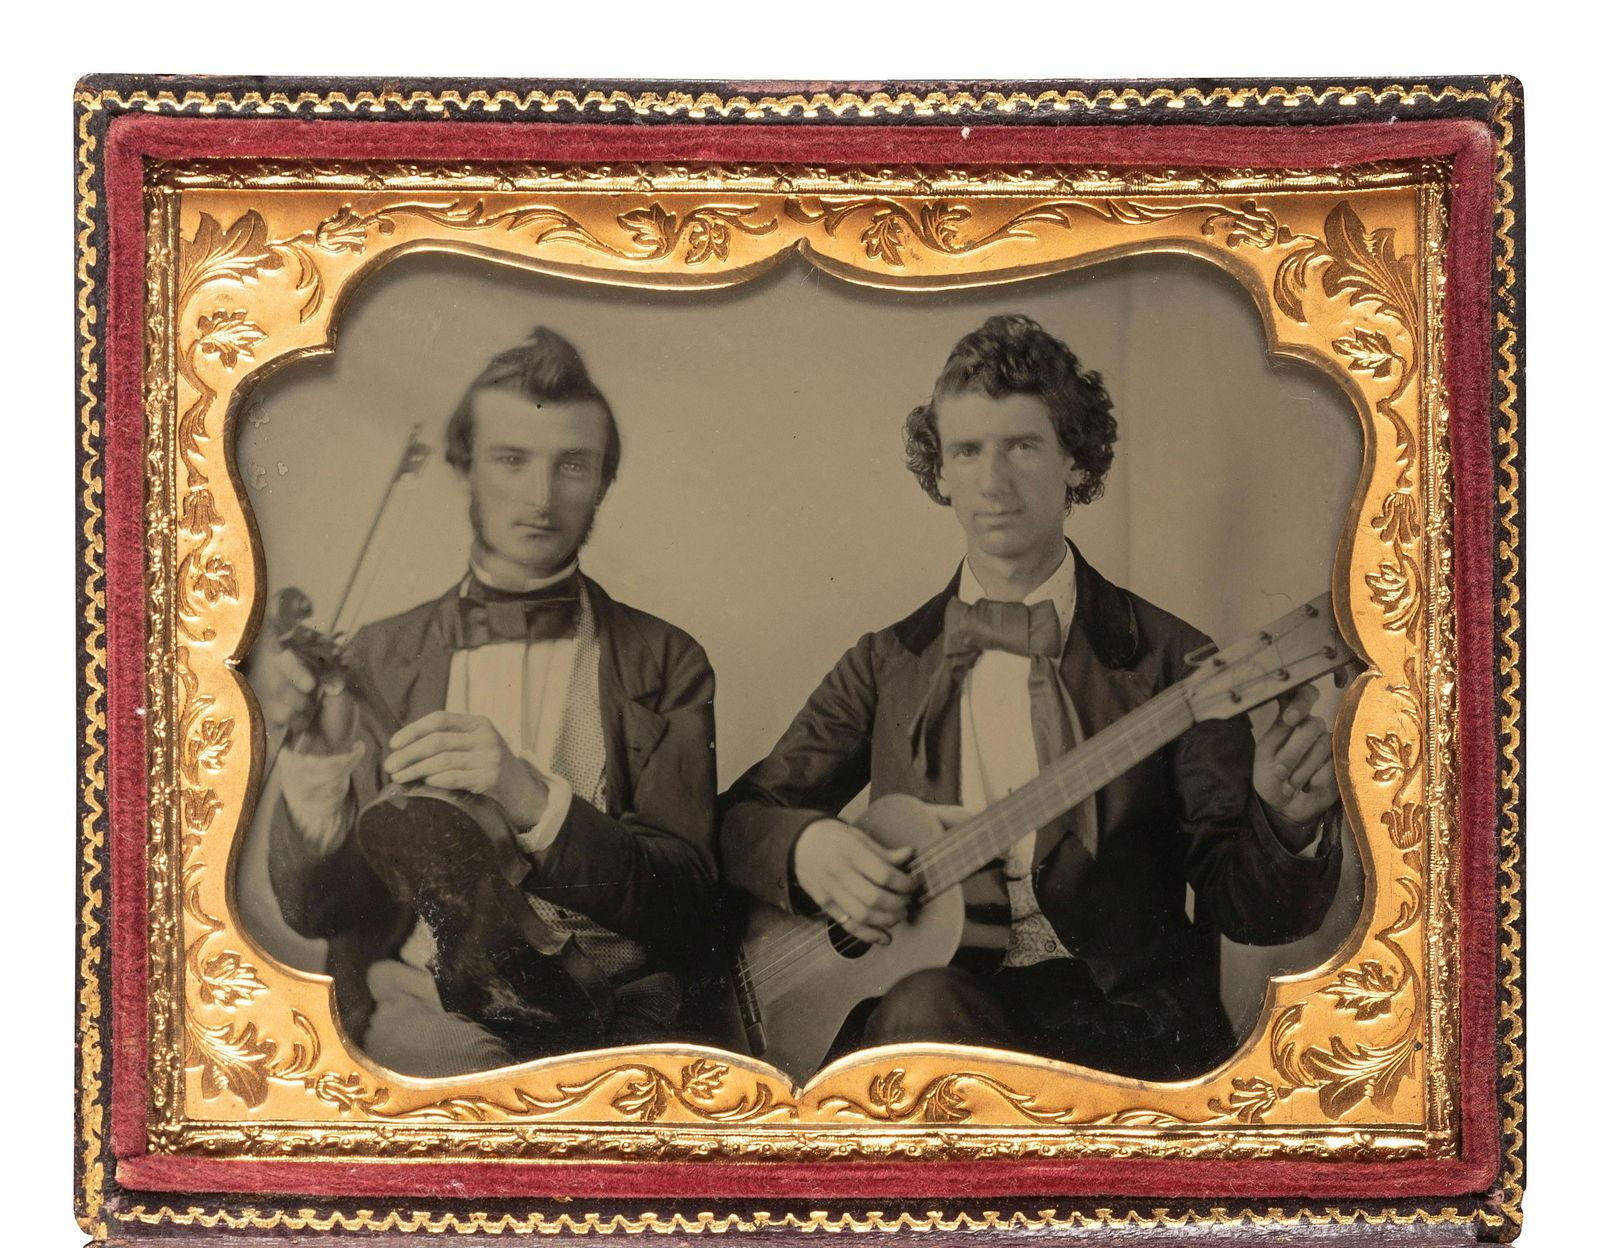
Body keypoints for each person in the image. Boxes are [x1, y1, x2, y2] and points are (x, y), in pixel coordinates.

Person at [718, 314, 1344, 1080]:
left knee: (923, 1018)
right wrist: (805, 849)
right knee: (924, 1006)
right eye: (967, 451)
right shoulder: (887, 661)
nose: (993, 482)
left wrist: (1286, 822)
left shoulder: (1174, 660)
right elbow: (741, 818)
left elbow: (1253, 913)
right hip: (920, 1016)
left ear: (1075, 462)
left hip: (1121, 1030)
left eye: (1021, 446)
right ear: (940, 473)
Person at [254, 328, 722, 1077]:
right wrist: (317, 780)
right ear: (464, 466)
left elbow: (686, 904)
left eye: (572, 465)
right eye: (511, 460)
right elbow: (322, 913)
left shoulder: (667, 660)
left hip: (618, 1011)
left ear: (604, 481)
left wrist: (526, 794)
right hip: (431, 1008)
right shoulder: (377, 656)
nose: (541, 498)